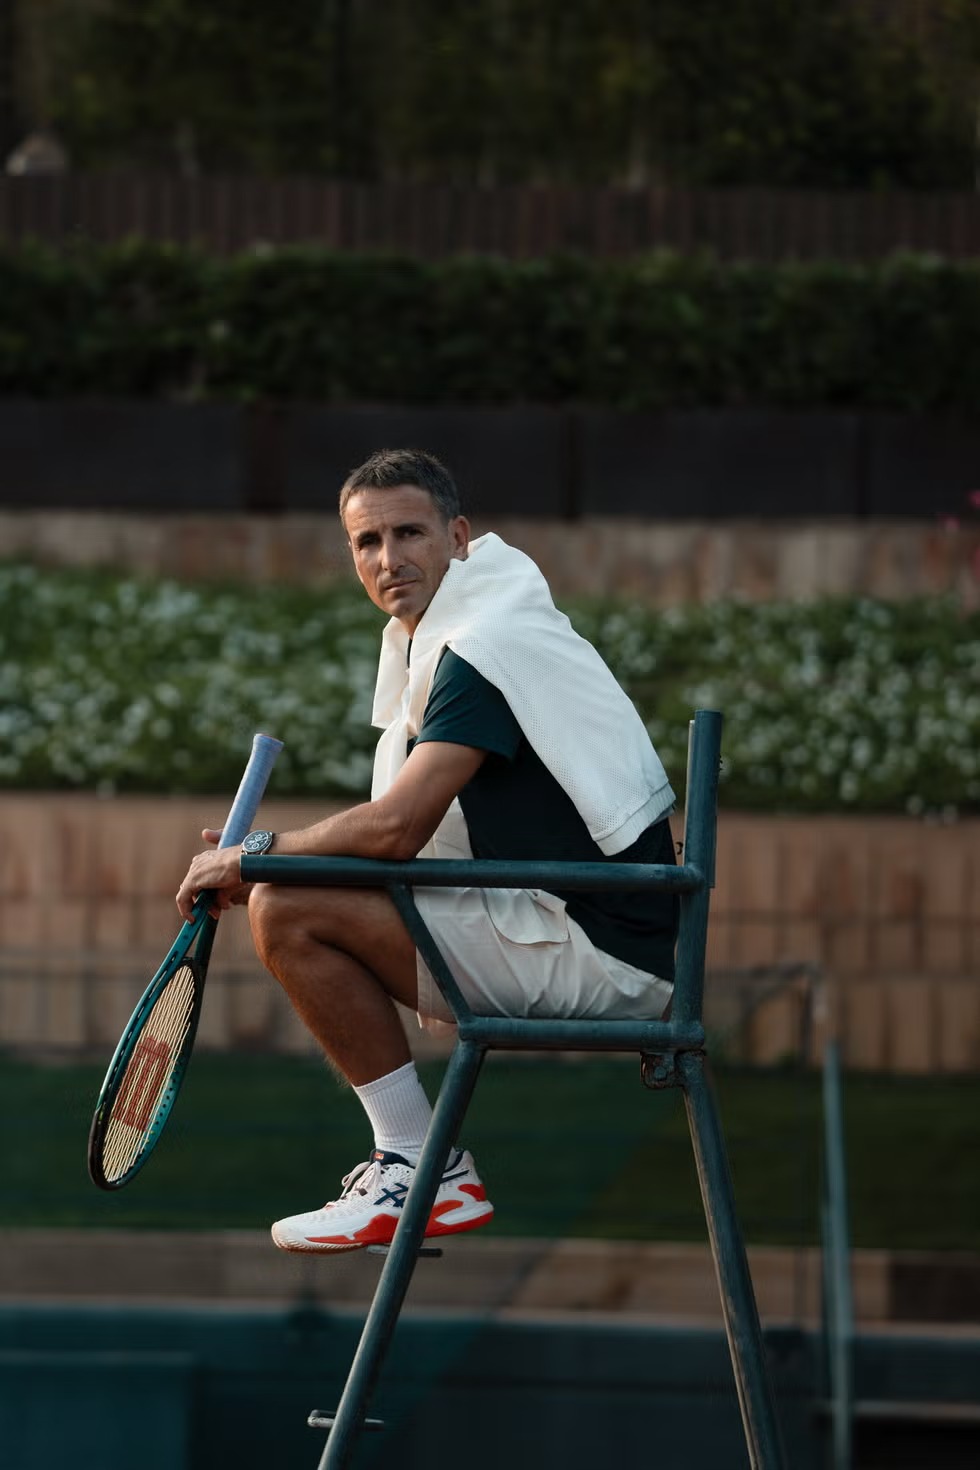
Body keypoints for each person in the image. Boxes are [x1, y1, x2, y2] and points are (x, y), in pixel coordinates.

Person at [176, 448, 679, 1253]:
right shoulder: (473, 627)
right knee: (288, 886)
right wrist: (270, 858)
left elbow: (394, 830)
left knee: (288, 907)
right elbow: (390, 837)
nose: (389, 559)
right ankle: (415, 1162)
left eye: (409, 533)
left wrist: (260, 857)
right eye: (367, 542)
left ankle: (417, 1162)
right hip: (579, 926)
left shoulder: (485, 646)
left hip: (607, 956)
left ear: (459, 535)